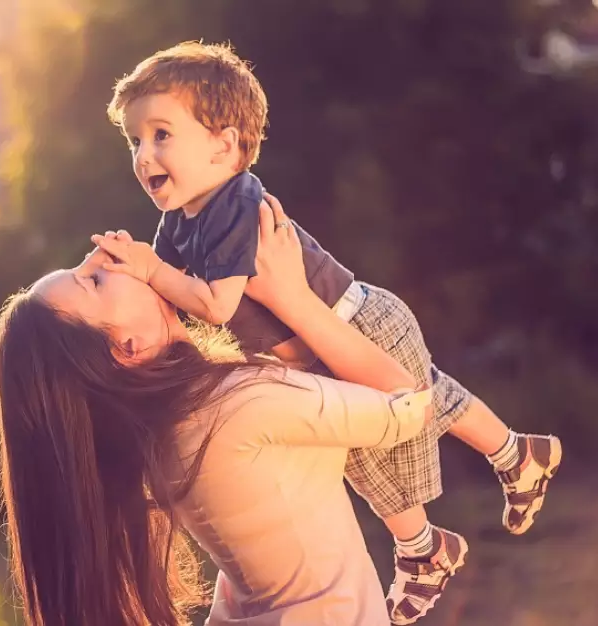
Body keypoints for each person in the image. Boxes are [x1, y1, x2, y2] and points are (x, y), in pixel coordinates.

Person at [98, 41, 563, 624]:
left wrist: (148, 268)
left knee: (393, 432)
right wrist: (123, 276)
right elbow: (170, 298)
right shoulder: (177, 225)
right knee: (401, 419)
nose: (144, 155)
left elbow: (216, 305)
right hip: (314, 350)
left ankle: (431, 543)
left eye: (161, 134)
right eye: (135, 141)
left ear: (224, 145)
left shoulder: (236, 203)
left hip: (353, 321)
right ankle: (513, 460)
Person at [0, 199, 434, 626]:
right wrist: (293, 298)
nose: (104, 255)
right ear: (126, 348)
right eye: (95, 282)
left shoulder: (166, 432)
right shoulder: (237, 403)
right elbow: (408, 405)